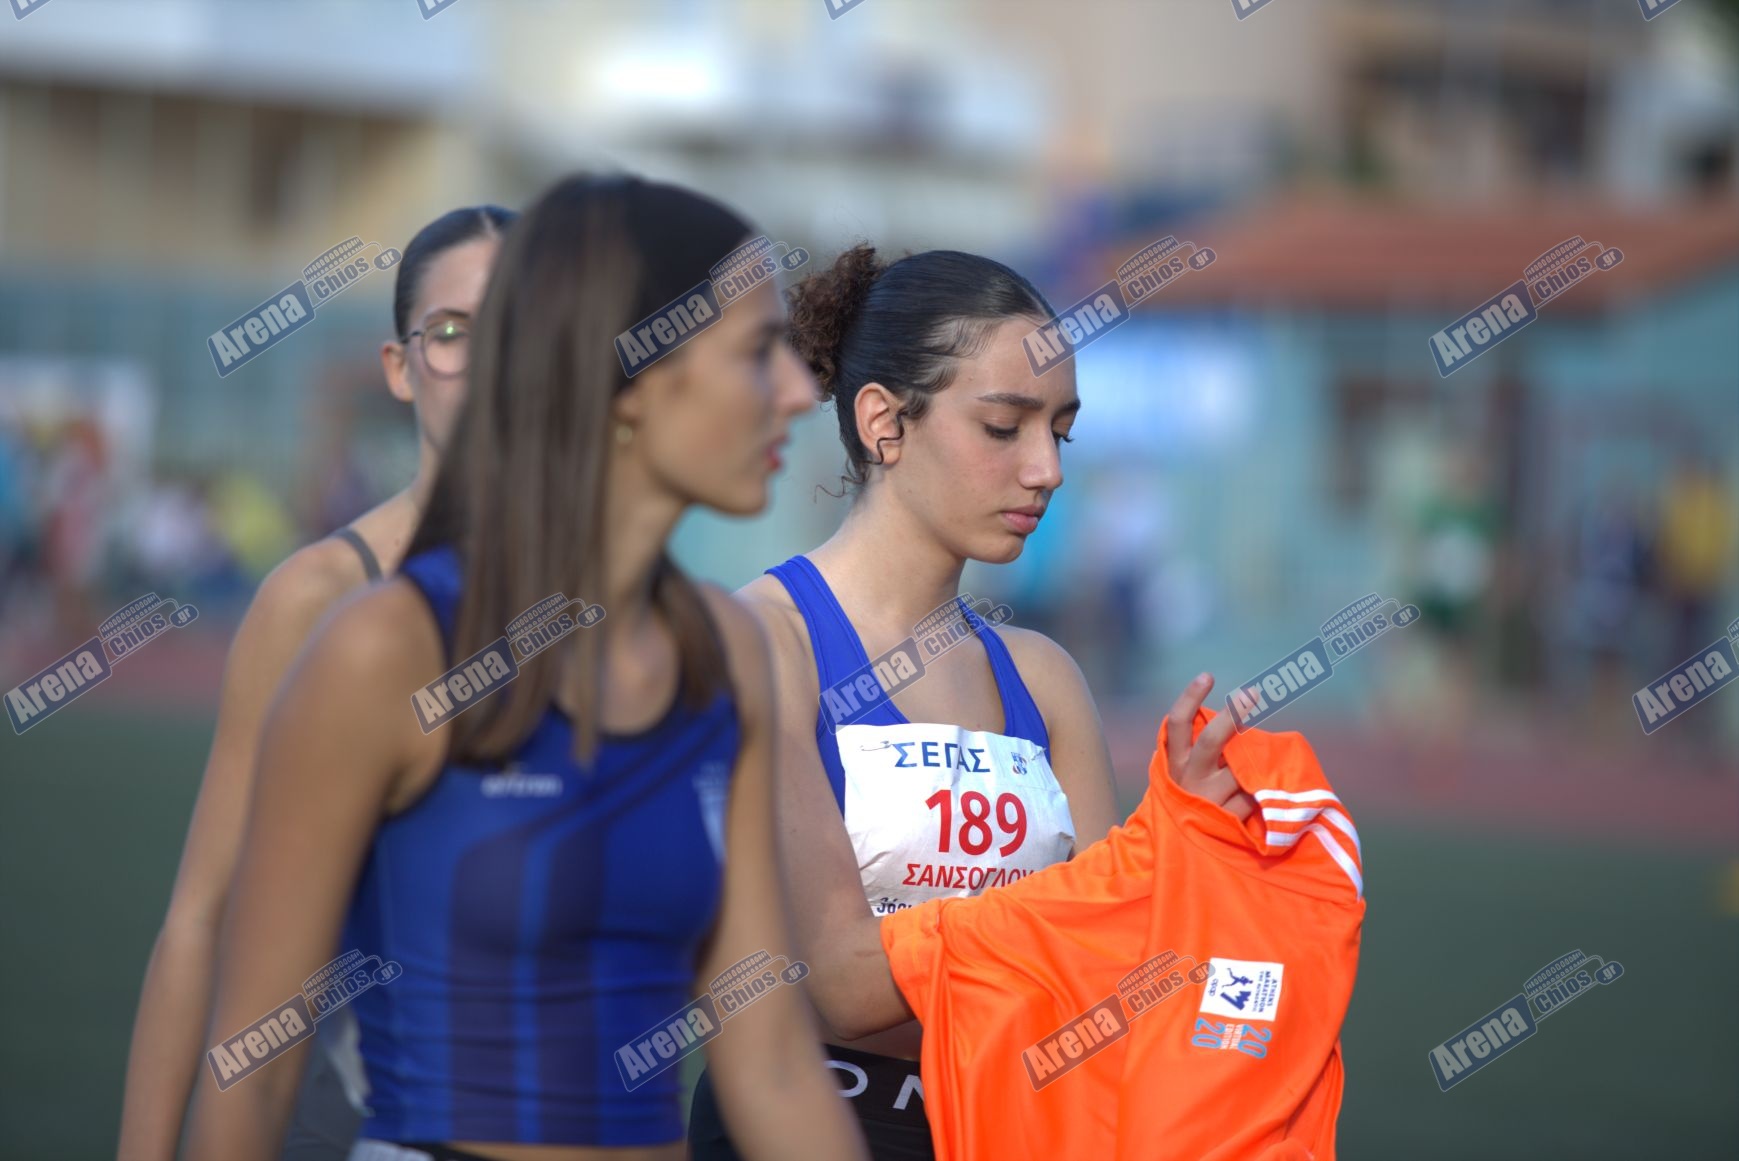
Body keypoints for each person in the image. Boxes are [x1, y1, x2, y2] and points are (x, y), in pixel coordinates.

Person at [181, 174, 870, 1161]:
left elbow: (770, 1066)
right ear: (631, 375)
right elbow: (252, 1073)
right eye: (758, 351)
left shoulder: (730, 654)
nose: (801, 390)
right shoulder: (385, 648)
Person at [688, 245, 1256, 1159]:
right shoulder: (762, 641)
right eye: (1003, 426)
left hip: (1013, 1129)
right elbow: (848, 983)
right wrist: (1100, 894)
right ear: (883, 422)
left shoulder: (1043, 677)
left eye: (1060, 431)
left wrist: (1180, 846)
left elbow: (1114, 988)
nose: (1047, 468)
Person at [117, 204, 518, 1161]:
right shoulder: (319, 597)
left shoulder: (620, 607)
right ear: (400, 366)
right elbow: (202, 916)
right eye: (452, 332)